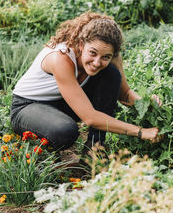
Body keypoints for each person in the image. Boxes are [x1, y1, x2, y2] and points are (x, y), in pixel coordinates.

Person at [10, 11, 161, 152]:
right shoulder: (60, 59)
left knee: (111, 73)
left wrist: (147, 104)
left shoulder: (110, 55)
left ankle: (95, 149)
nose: (97, 62)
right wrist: (140, 132)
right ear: (82, 45)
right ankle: (49, 155)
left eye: (106, 57)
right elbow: (90, 118)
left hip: (62, 101)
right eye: (93, 53)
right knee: (65, 131)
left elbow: (125, 94)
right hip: (27, 107)